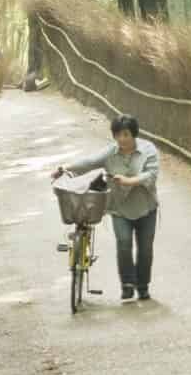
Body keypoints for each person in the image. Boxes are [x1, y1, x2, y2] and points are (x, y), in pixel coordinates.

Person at [51, 113, 159, 301]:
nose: (122, 139)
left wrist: (130, 180)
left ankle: (142, 286)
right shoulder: (111, 152)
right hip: (119, 207)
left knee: (145, 249)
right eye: (118, 135)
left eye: (126, 134)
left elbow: (151, 175)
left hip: (146, 207)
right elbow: (90, 162)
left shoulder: (148, 150)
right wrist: (65, 169)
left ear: (134, 134)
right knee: (124, 243)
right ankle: (127, 284)